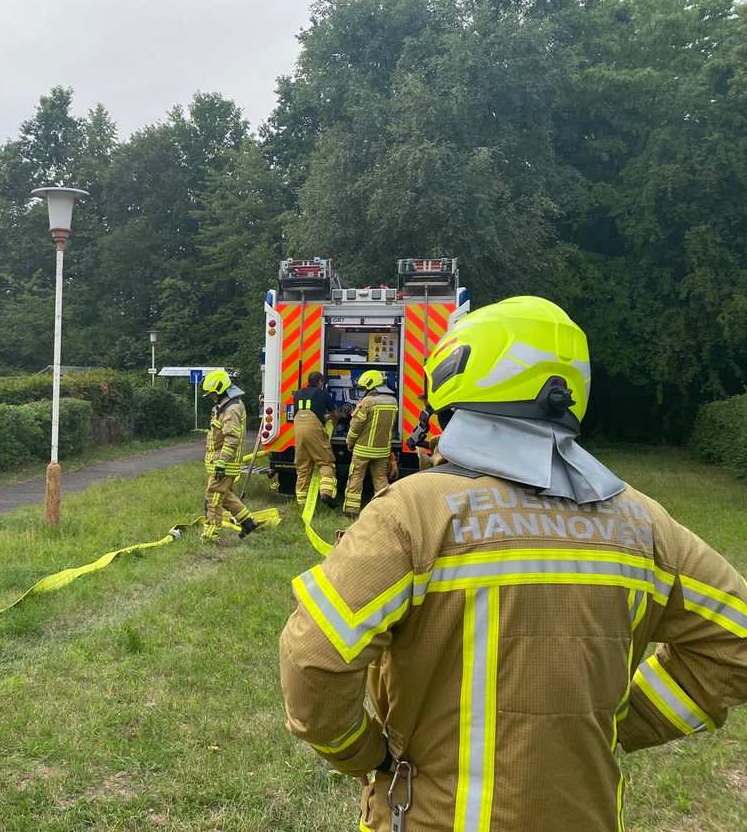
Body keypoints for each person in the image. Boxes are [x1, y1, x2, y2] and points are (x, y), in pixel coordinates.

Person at [278, 296, 747, 832]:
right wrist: (615, 724)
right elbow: (735, 644)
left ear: (460, 377)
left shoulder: (416, 512)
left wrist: (363, 754)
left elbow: (314, 656)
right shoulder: (645, 525)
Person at [201, 369, 259, 542]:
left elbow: (231, 438)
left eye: (212, 393)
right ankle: (248, 522)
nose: (211, 396)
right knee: (225, 496)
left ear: (220, 390)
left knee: (213, 499)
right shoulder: (225, 405)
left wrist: (221, 462)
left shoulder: (231, 409)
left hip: (225, 464)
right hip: (224, 463)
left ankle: (210, 537)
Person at [341, 369, 398, 519]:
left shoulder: (368, 401)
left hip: (363, 450)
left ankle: (351, 511)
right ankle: (385, 510)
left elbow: (356, 425)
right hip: (382, 450)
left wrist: (349, 441)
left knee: (356, 477)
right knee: (380, 479)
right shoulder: (393, 401)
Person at [290, 371, 339, 510]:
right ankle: (326, 493)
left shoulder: (298, 393)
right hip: (314, 431)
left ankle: (301, 502)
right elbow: (334, 414)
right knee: (325, 462)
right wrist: (334, 423)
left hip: (298, 428)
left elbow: (308, 411)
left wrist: (323, 417)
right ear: (321, 382)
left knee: (303, 466)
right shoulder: (323, 393)